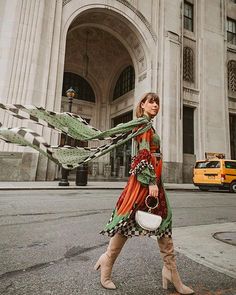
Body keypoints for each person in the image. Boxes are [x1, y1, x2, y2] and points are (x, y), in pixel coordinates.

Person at [94, 92, 194, 294]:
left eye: (157, 102)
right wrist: (150, 182)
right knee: (132, 221)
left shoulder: (147, 124)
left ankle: (170, 271)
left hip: (151, 179)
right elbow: (144, 154)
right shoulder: (143, 124)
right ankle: (107, 262)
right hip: (146, 182)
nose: (155, 105)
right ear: (142, 104)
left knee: (162, 221)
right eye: (151, 102)